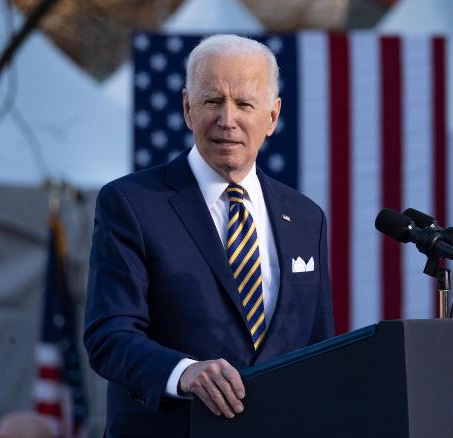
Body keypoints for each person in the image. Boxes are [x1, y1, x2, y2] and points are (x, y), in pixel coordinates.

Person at [83, 34, 334, 437]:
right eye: (212, 101)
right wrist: (184, 373)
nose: (227, 120)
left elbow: (322, 349)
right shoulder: (131, 203)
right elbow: (108, 335)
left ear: (272, 117)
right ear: (187, 108)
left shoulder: (305, 218)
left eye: (245, 104)